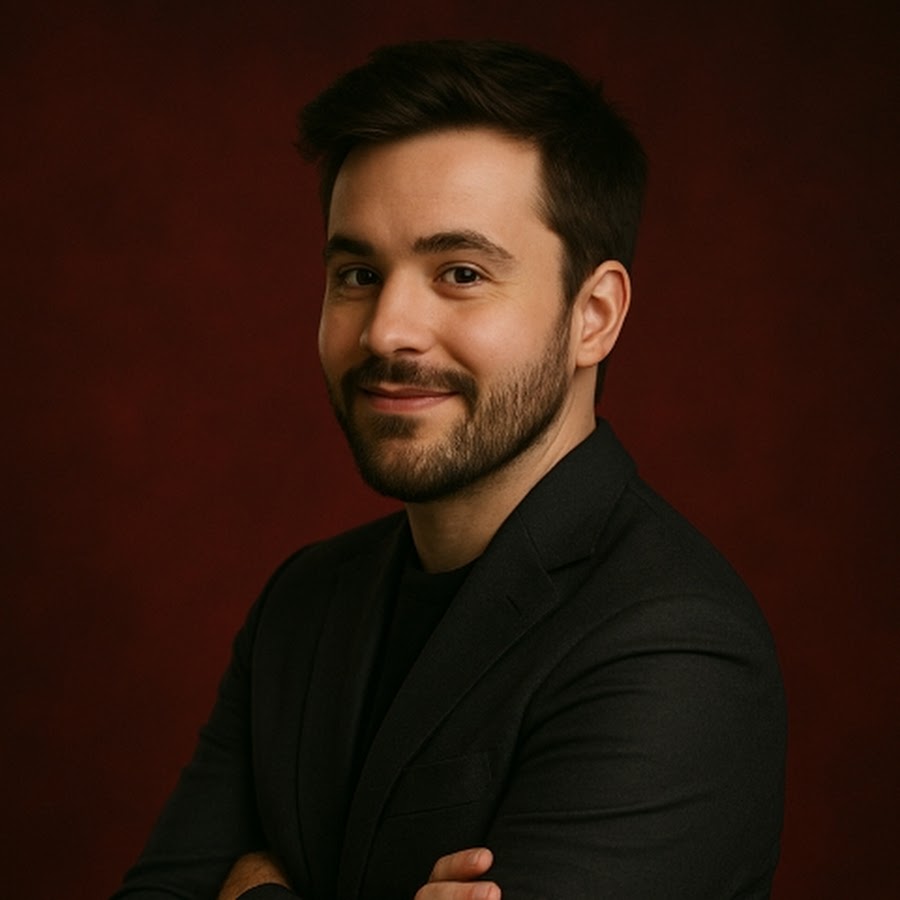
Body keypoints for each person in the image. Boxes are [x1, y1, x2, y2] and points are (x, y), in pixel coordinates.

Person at [113, 40, 786, 900]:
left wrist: (257, 894)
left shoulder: (674, 646)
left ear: (594, 315)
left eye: (460, 274)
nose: (387, 329)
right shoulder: (302, 604)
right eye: (358, 273)